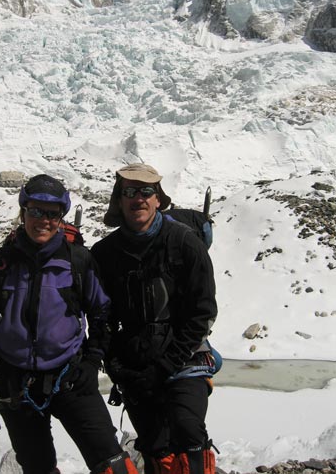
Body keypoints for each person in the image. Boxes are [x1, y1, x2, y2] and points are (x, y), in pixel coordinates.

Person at [0, 173, 138, 474]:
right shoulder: (0, 265)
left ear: (61, 217)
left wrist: (90, 362)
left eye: (52, 214)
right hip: (16, 386)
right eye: (36, 211)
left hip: (70, 377)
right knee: (38, 468)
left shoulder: (77, 261)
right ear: (23, 212)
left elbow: (103, 314)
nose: (43, 221)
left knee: (111, 463)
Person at [91, 163, 219, 474]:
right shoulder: (105, 253)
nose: (138, 198)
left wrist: (167, 363)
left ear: (158, 199)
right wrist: (115, 362)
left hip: (186, 359)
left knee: (187, 430)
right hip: (137, 365)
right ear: (119, 201)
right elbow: (101, 315)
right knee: (154, 443)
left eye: (146, 191)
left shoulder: (185, 243)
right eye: (129, 192)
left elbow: (202, 311)